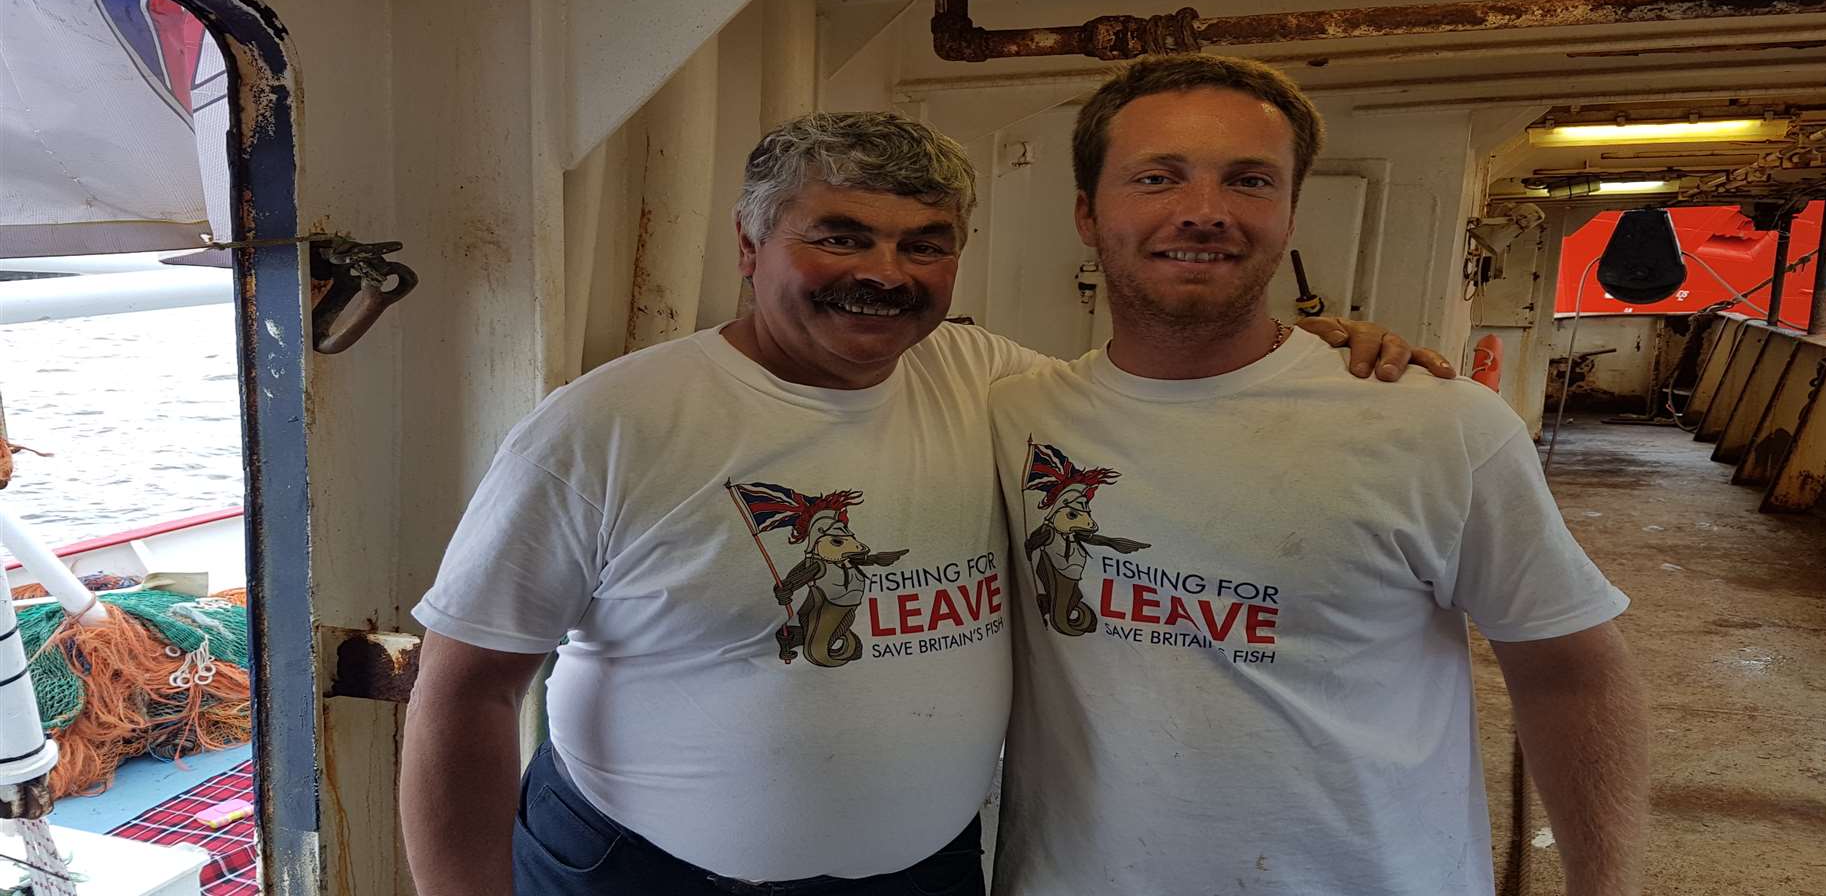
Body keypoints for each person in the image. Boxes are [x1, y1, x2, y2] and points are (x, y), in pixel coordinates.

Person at [398, 111, 1445, 896]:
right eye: (841, 237)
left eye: (924, 243)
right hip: (643, 871)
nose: (884, 274)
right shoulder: (609, 425)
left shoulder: (988, 381)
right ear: (750, 247)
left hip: (926, 875)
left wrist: (1312, 359)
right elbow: (465, 693)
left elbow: (1166, 399)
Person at [987, 54, 1649, 896]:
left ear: (1291, 212)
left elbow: (1571, 672)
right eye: (1157, 178)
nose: (1203, 213)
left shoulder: (1435, 424)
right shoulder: (1011, 420)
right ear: (1088, 213)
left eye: (1250, 181)